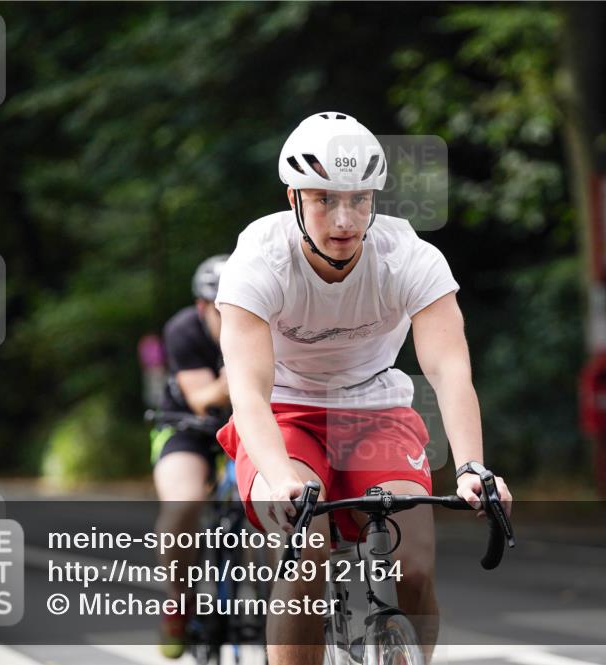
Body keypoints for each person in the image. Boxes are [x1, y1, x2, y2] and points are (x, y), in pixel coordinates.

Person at [214, 112, 512, 665]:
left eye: (359, 199)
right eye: (324, 199)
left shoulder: (408, 258)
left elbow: (449, 369)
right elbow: (249, 394)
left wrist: (472, 466)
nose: (344, 219)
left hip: (377, 409)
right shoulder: (258, 259)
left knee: (416, 569)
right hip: (284, 413)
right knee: (307, 549)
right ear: (294, 198)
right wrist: (280, 478)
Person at [151, 254, 231, 659]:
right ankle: (178, 603)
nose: (235, 316)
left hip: (252, 428)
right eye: (223, 309)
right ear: (203, 308)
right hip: (187, 427)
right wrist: (243, 368)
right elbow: (202, 400)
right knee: (183, 502)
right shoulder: (183, 329)